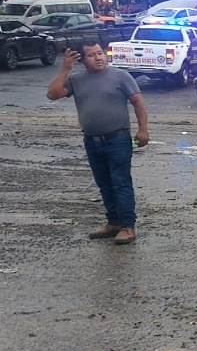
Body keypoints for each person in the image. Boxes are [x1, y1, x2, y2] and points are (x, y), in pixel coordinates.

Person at [46, 42, 149, 245]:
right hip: (92, 141)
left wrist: (143, 130)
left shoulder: (120, 76)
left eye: (100, 53)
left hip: (118, 139)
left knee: (120, 182)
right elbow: (53, 94)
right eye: (92, 55)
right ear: (82, 60)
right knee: (104, 183)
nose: (98, 58)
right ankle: (114, 223)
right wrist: (65, 69)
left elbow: (138, 102)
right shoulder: (76, 80)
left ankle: (127, 226)